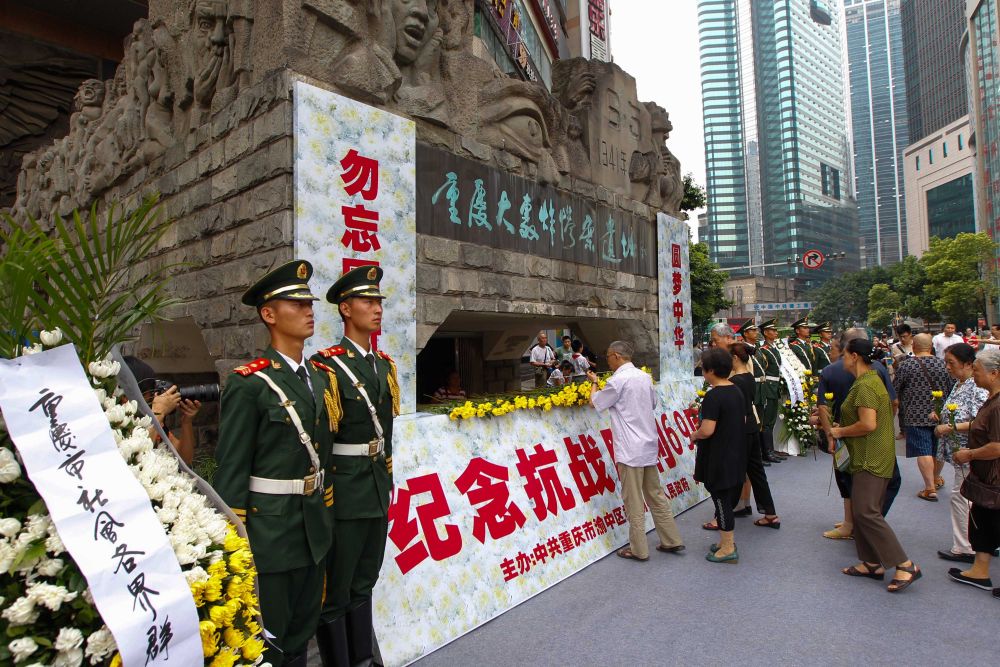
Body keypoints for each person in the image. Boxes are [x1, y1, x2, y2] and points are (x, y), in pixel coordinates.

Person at [214, 260, 335, 666]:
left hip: (312, 526)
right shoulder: (250, 383)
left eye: (309, 304)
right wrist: (237, 539)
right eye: (297, 304)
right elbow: (231, 469)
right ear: (269, 314)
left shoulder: (318, 378)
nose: (308, 311)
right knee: (272, 638)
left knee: (302, 629)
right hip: (271, 532)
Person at [312, 265, 399, 667]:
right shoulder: (327, 367)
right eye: (367, 301)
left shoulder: (384, 365)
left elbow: (388, 434)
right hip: (345, 492)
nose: (377, 308)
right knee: (337, 586)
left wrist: (387, 477)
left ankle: (363, 658)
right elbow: (321, 441)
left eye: (379, 301)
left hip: (376, 486)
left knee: (365, 577)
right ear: (345, 309)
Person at [829, 339, 921, 592]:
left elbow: (868, 424)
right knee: (863, 510)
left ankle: (905, 564)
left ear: (855, 356)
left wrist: (839, 431)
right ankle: (871, 562)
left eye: (845, 355)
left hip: (871, 456)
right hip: (871, 453)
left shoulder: (866, 384)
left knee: (867, 512)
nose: (842, 359)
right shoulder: (868, 380)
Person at [588, 341, 684, 561]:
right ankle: (671, 539)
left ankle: (639, 549)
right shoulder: (644, 377)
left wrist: (594, 383)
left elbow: (595, 402)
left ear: (616, 356)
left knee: (633, 500)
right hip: (648, 444)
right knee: (656, 494)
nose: (607, 361)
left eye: (608, 356)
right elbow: (652, 404)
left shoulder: (617, 380)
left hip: (630, 449)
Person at [817, 329, 902, 540]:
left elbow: (823, 408)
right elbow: (893, 402)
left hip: (846, 437)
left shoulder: (832, 372)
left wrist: (831, 435)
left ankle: (856, 522)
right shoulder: (877, 370)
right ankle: (863, 522)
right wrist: (885, 425)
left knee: (847, 480)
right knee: (883, 482)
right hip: (869, 439)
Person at [702, 343, 780, 530]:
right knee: (756, 473)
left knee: (733, 474)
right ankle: (770, 513)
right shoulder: (750, 377)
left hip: (740, 431)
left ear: (735, 358)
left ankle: (721, 517)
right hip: (752, 429)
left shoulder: (734, 382)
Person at [947, 347, 1000, 593]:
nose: (974, 375)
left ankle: (980, 570)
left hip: (994, 477)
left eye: (977, 371)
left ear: (994, 373)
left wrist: (970, 454)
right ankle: (980, 570)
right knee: (984, 522)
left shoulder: (997, 406)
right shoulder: (991, 399)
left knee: (990, 522)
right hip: (987, 476)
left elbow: (997, 446)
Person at [932, 343, 988, 563]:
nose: (947, 367)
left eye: (951, 363)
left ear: (967, 364)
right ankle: (978, 543)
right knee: (967, 497)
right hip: (960, 451)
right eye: (946, 362)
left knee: (961, 497)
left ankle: (965, 546)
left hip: (970, 451)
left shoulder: (976, 386)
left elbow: (981, 421)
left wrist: (951, 427)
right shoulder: (959, 383)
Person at [691, 347, 748, 564]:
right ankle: (726, 542)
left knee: (721, 502)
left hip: (719, 456)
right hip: (736, 453)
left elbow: (707, 430)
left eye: (704, 369)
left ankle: (728, 547)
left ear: (711, 370)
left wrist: (694, 435)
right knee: (725, 499)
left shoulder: (713, 396)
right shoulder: (736, 390)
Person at [894, 333, 953, 500]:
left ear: (914, 346)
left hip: (915, 414)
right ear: (931, 347)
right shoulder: (943, 364)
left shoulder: (906, 365)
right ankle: (936, 478)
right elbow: (951, 388)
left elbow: (895, 389)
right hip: (940, 413)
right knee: (938, 449)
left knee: (923, 450)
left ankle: (929, 488)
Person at [124, 355, 202, 465]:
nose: (154, 394)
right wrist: (159, 412)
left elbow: (185, 459)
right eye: (150, 390)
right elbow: (136, 458)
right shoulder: (116, 421)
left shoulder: (149, 417)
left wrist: (186, 421)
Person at [737, 319, 781, 465]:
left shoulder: (757, 349)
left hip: (762, 388)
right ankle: (760, 454)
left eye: (756, 330)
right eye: (753, 330)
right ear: (745, 333)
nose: (756, 332)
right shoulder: (743, 350)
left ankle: (766, 452)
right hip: (753, 388)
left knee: (762, 422)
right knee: (755, 423)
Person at [758, 319, 785, 461]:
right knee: (766, 421)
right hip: (768, 387)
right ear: (766, 333)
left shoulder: (773, 349)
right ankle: (766, 452)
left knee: (772, 421)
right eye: (773, 330)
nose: (776, 332)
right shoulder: (764, 350)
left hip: (775, 387)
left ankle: (770, 450)